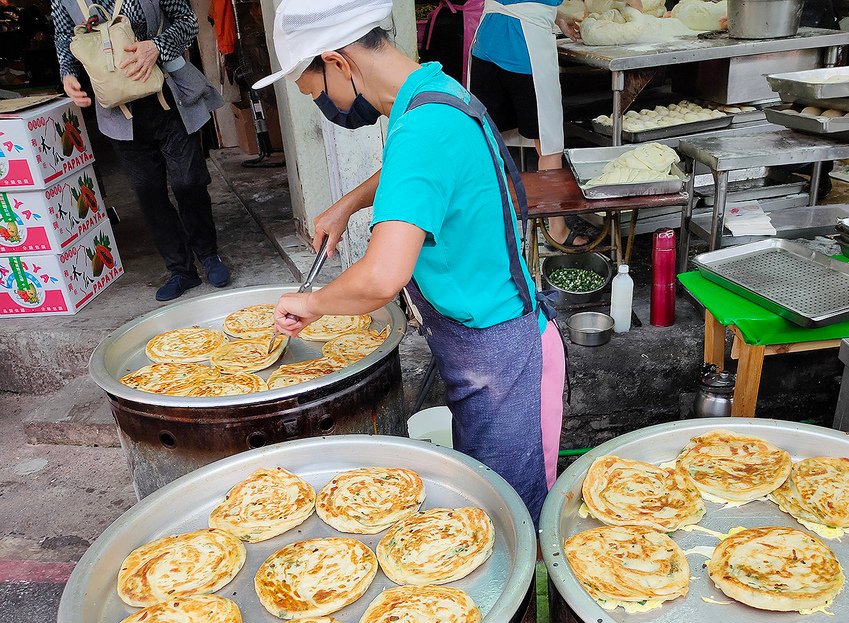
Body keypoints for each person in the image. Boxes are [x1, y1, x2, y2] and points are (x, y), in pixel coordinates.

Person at [254, 0, 565, 524]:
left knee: (511, 527)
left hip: (505, 360)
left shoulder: (424, 128)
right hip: (483, 347)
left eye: (316, 93)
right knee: (486, 510)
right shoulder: (434, 92)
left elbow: (381, 276)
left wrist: (311, 304)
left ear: (338, 61)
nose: (324, 107)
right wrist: (350, 203)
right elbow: (415, 169)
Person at [51, 0, 230, 301]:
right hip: (119, 111)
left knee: (189, 182)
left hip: (171, 100)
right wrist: (68, 74)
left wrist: (157, 46)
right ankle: (181, 271)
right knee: (149, 191)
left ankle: (209, 255)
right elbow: (63, 36)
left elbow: (188, 21)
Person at [470, 0, 641, 248]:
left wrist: (557, 16)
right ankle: (557, 231)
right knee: (548, 143)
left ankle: (483, 231)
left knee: (485, 141)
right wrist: (634, 9)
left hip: (488, 39)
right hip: (523, 45)